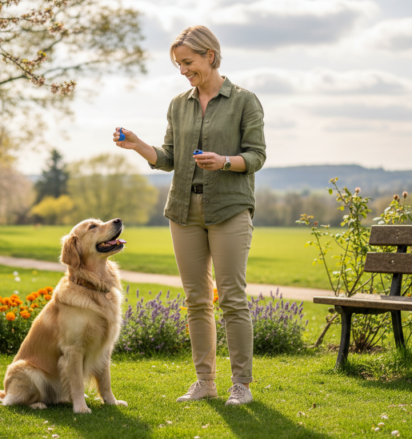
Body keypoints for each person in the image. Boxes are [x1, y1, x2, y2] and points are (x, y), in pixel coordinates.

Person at [113, 25, 266, 406]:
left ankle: (241, 385)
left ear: (209, 56)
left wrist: (225, 162)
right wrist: (138, 146)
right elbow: (168, 158)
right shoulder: (178, 104)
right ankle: (205, 382)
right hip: (183, 210)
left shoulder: (244, 101)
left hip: (229, 208)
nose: (182, 70)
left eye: (188, 62)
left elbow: (257, 156)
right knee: (196, 300)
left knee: (231, 298)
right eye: (178, 64)